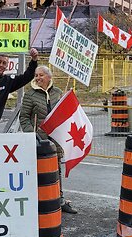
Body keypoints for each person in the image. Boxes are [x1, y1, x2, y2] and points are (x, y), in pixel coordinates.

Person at [19, 65, 77, 214]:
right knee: (39, 170)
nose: (38, 78)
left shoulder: (58, 92)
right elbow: (24, 117)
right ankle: (39, 200)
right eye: (36, 75)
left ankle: (60, 199)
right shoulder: (30, 95)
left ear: (49, 77)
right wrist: (31, 134)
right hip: (38, 139)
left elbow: (65, 113)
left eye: (41, 75)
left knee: (56, 170)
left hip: (55, 139)